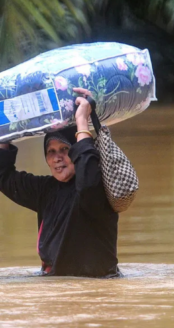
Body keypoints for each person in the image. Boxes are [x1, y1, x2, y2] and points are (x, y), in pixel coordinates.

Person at [0, 87, 119, 277]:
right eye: (51, 151)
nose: (57, 158)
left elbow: (87, 182)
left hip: (97, 292)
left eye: (65, 149)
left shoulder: (100, 188)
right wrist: (4, 127)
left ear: (77, 150)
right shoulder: (44, 191)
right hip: (55, 291)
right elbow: (3, 176)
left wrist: (82, 122)